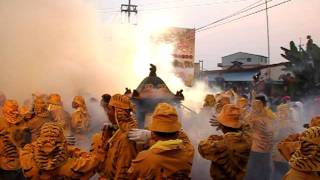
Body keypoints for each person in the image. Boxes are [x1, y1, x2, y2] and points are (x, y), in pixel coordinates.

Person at [128, 103, 194, 179]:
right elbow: (184, 139)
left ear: (154, 133)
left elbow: (131, 175)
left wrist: (150, 136)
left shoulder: (145, 158)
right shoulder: (188, 152)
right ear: (177, 133)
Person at [20, 122, 100, 179]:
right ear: (62, 142)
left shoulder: (30, 165)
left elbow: (28, 148)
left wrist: (42, 143)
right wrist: (70, 149)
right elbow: (94, 160)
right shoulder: (74, 166)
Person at [90, 94, 138, 179]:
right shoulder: (120, 131)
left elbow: (122, 174)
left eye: (109, 109)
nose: (107, 113)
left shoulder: (126, 139)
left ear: (117, 112)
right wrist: (107, 136)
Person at [199, 104, 252, 180]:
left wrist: (212, 138)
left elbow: (202, 148)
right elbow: (247, 128)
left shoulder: (223, 144)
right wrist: (230, 122)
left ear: (222, 126)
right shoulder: (247, 138)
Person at [245, 99, 274, 180]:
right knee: (264, 172)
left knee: (252, 172)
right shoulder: (268, 118)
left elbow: (245, 125)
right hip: (266, 151)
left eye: (254, 107)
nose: (252, 108)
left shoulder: (254, 119)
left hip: (256, 149)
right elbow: (271, 133)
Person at [0, 100, 29, 180]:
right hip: (6, 164)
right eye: (10, 108)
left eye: (15, 108)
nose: (13, 111)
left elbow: (25, 140)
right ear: (4, 109)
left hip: (20, 162)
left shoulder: (21, 122)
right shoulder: (1, 122)